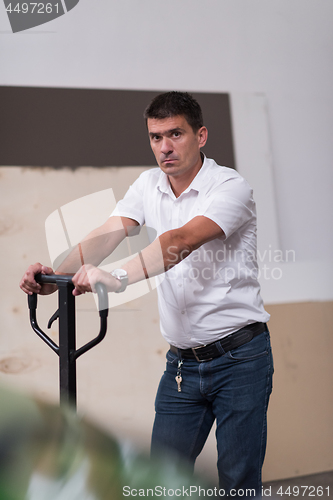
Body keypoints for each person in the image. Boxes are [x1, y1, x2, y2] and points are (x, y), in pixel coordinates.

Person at [20, 91, 273, 497]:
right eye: (156, 137)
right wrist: (54, 276)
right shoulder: (148, 184)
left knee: (237, 482)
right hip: (182, 367)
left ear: (201, 135)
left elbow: (182, 239)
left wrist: (116, 277)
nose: (165, 147)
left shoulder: (230, 187)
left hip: (240, 359)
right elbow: (107, 234)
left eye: (175, 134)